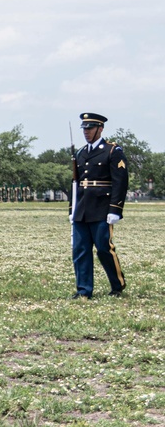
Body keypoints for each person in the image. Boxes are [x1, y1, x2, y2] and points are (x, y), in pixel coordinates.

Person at [71, 112, 128, 299]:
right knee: (80, 250)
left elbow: (120, 182)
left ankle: (117, 285)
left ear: (100, 129)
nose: (86, 132)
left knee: (104, 248)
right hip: (82, 209)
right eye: (84, 129)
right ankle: (84, 291)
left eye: (90, 128)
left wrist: (115, 209)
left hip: (102, 208)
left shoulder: (112, 151)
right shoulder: (80, 153)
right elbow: (76, 184)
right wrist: (72, 209)